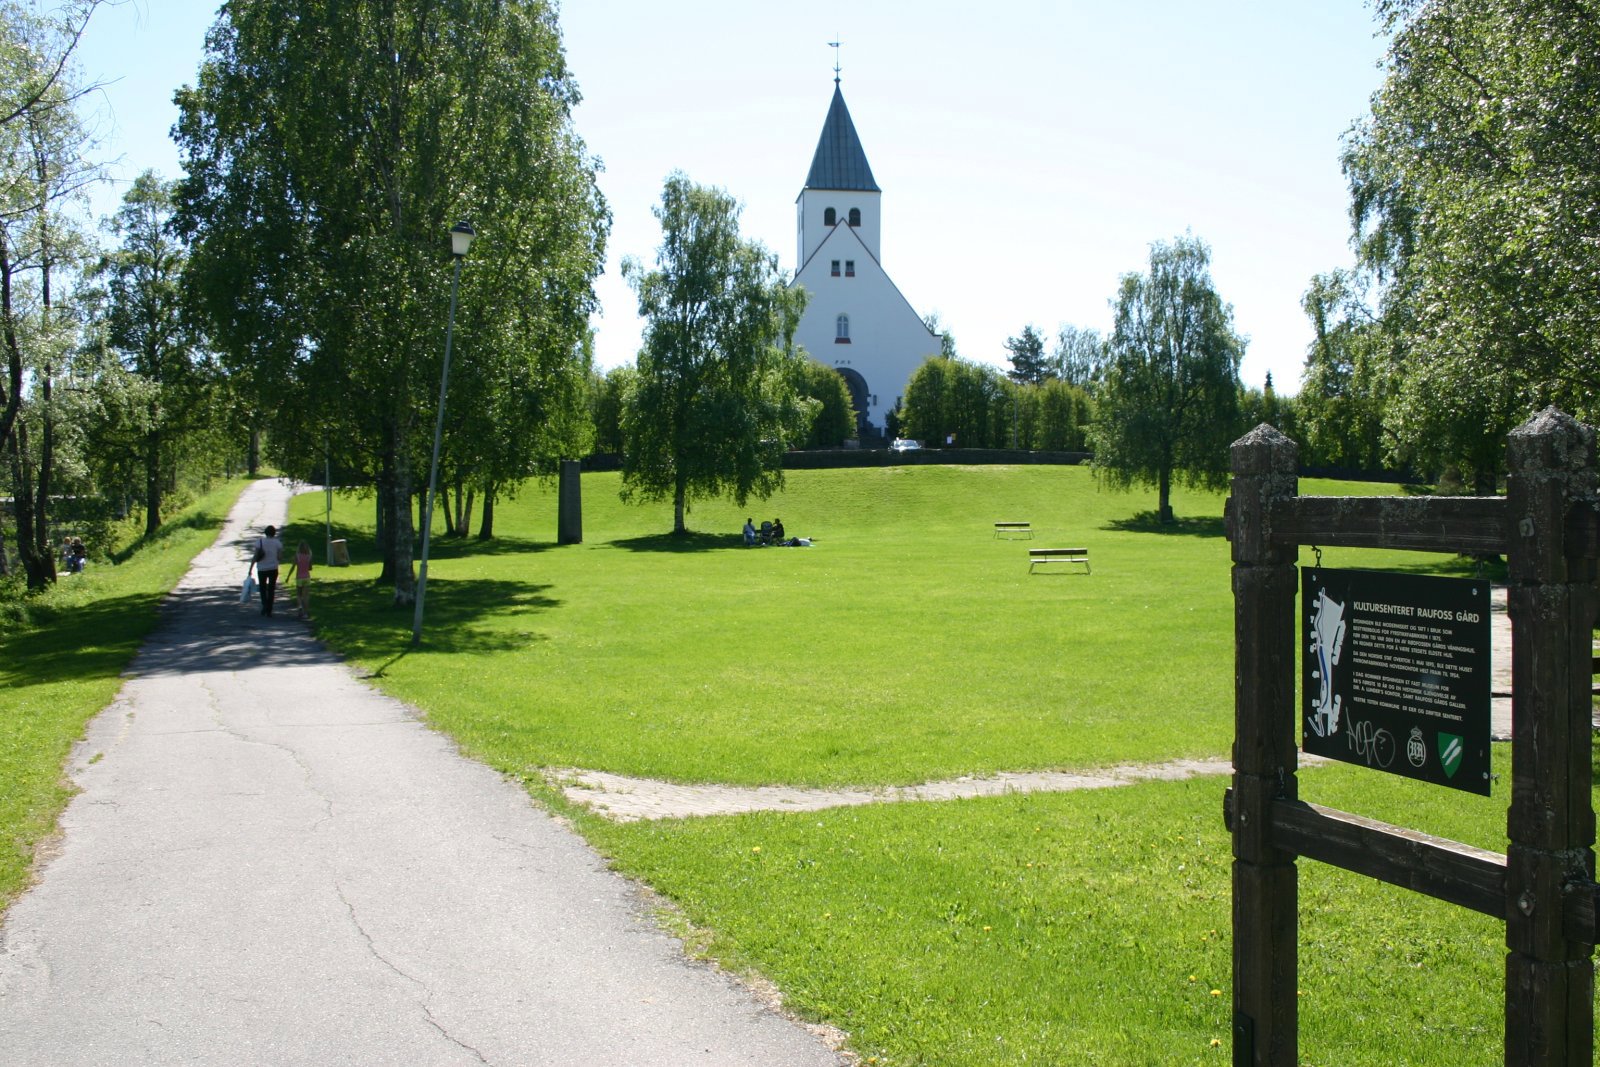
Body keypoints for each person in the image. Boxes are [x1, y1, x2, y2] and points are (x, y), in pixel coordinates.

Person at [254, 525, 285, 617]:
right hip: (273, 568)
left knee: (262, 588)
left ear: (265, 532)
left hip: (262, 568)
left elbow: (256, 556)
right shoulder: (278, 543)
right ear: (274, 533)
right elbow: (279, 557)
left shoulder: (259, 542)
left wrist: (251, 567)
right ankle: (269, 609)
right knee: (271, 589)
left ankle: (264, 605)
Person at [292, 540, 314, 620]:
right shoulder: (309, 556)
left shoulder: (297, 556)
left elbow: (293, 566)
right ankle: (306, 612)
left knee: (299, 594)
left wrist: (288, 576)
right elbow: (310, 568)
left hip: (299, 577)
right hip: (307, 577)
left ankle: (300, 608)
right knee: (306, 596)